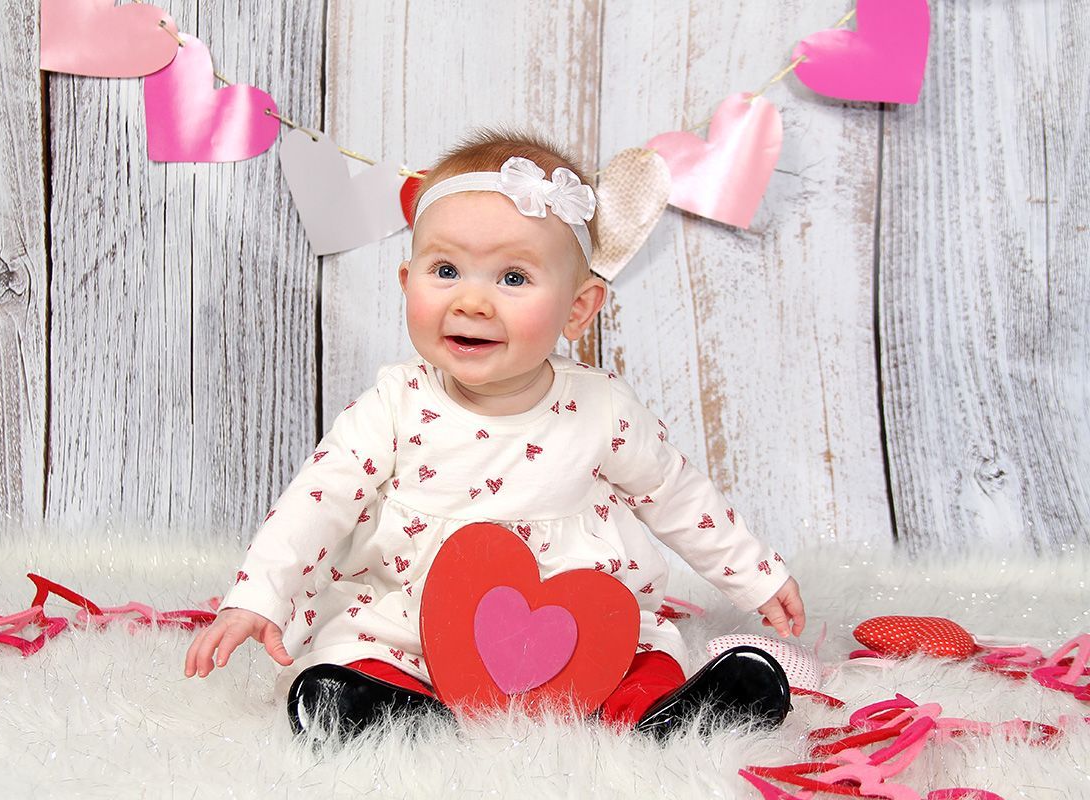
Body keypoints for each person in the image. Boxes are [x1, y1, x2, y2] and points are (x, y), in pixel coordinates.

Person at [184, 128, 806, 740]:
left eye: (513, 278)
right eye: (447, 269)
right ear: (407, 282)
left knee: (637, 652)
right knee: (351, 648)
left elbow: (675, 494)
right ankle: (384, 708)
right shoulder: (394, 405)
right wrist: (258, 595)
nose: (474, 302)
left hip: (573, 615)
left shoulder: (601, 408)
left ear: (578, 308)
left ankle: (663, 713)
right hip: (412, 616)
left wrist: (755, 574)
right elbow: (315, 503)